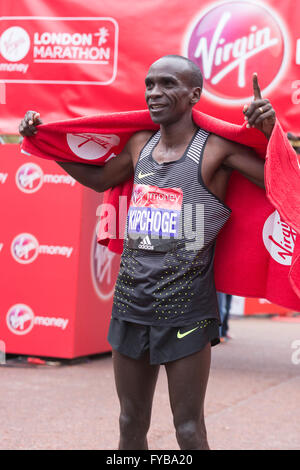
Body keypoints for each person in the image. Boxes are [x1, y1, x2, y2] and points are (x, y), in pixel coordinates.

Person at [19, 55, 276, 450]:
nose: (155, 93)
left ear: (195, 94)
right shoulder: (141, 143)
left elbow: (283, 185)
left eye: (167, 84)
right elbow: (100, 178)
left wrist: (272, 132)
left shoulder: (216, 151)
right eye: (150, 84)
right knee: (130, 423)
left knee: (188, 429)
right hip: (130, 304)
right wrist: (43, 143)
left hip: (187, 310)